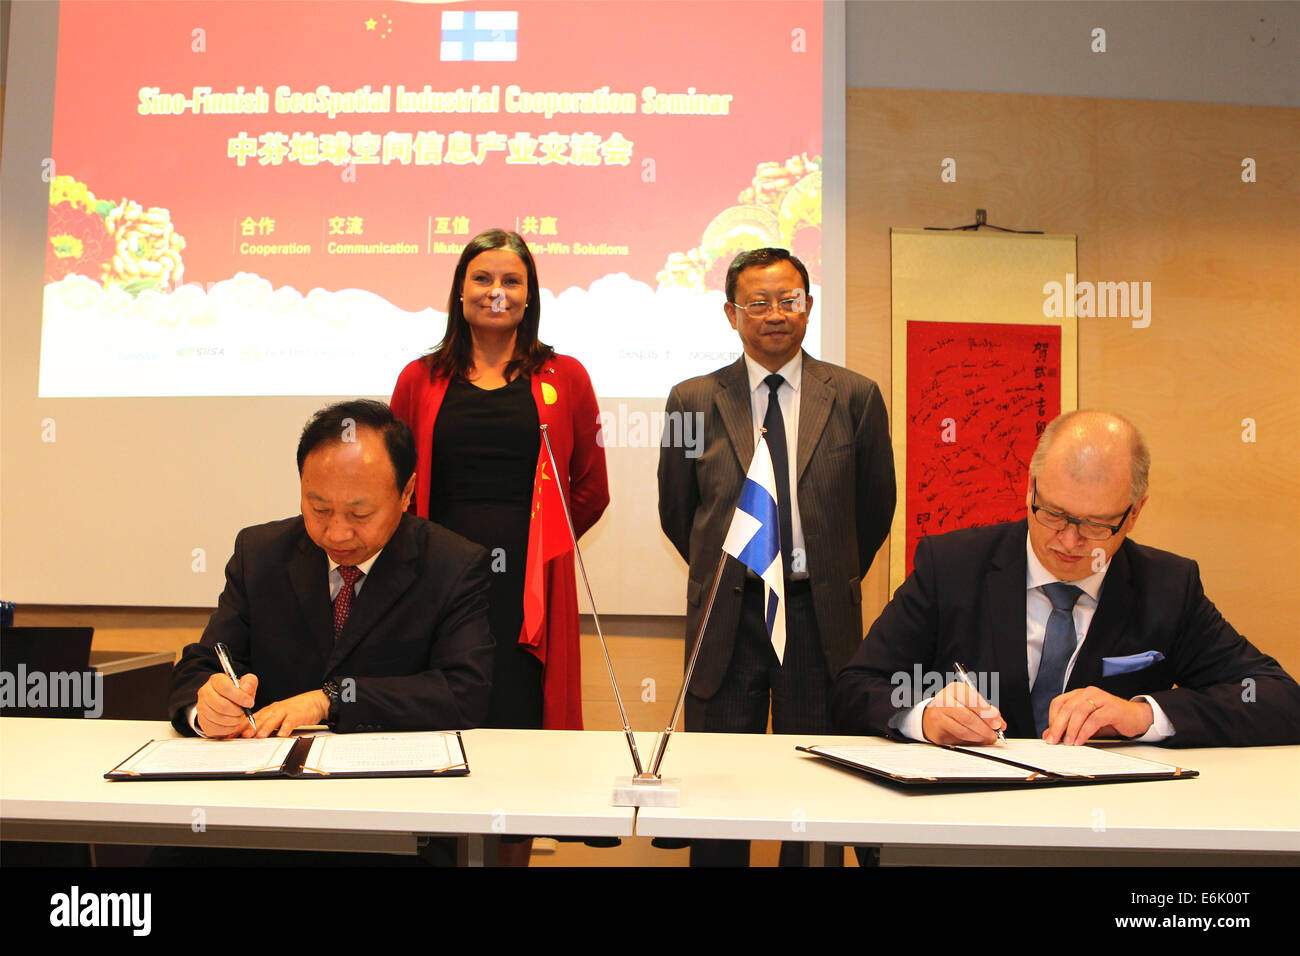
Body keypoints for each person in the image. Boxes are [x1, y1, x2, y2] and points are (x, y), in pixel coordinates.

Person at [833, 409, 1300, 748]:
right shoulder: (952, 566)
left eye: (1097, 525)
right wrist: (925, 717)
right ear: (1030, 488)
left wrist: (1143, 714)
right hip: (965, 817)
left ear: (1135, 513)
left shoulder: (1167, 586)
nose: (1070, 541)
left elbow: (1277, 699)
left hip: (1108, 831)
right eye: (1054, 513)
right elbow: (857, 686)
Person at [658, 247, 896, 866]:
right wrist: (735, 573)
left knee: (815, 790)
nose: (774, 315)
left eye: (788, 300)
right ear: (731, 314)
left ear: (809, 307)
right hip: (727, 620)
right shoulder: (693, 399)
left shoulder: (854, 397)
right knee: (718, 794)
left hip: (820, 621)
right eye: (757, 303)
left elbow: (873, 511)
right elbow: (678, 512)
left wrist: (820, 573)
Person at [390, 229, 608, 866]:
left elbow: (589, 487)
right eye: (483, 278)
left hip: (527, 589)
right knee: (441, 714)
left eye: (512, 281)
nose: (497, 292)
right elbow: (394, 482)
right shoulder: (419, 378)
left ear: (531, 295)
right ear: (460, 291)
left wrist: (542, 548)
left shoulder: (563, 376)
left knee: (517, 729)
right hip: (435, 582)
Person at [169, 399, 494, 740]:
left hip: (395, 780)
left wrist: (330, 700)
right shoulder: (260, 554)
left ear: (406, 492)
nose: (337, 533)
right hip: (271, 777)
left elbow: (465, 691)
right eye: (319, 508)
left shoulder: (452, 564)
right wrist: (205, 708)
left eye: (360, 514)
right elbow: (202, 666)